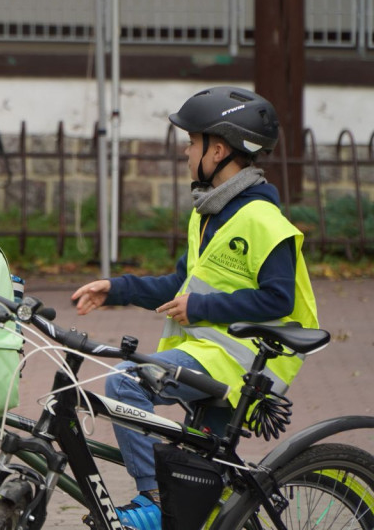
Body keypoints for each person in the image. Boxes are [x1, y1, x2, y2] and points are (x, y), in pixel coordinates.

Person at [71, 86, 319, 530]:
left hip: (242, 362)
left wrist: (201, 307)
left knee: (127, 382)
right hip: (211, 357)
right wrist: (116, 289)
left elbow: (278, 299)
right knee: (200, 488)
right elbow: (179, 286)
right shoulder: (209, 214)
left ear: (218, 150)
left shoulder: (263, 220)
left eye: (192, 143)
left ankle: (150, 498)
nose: (186, 153)